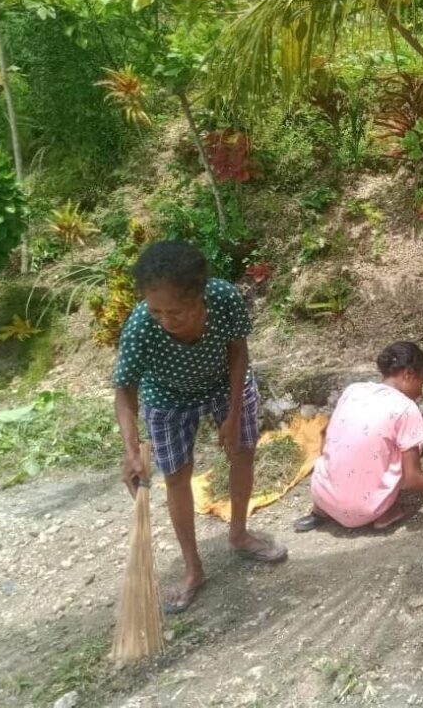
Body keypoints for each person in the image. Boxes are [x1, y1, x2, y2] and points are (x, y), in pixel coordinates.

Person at [113, 241, 287, 615]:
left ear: (199, 296)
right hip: (167, 397)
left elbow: (238, 351)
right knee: (176, 476)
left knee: (242, 452)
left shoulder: (224, 298)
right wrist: (131, 451)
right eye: (156, 310)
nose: (165, 319)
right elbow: (124, 390)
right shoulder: (141, 327)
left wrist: (234, 414)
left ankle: (239, 535)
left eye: (175, 311)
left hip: (225, 383)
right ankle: (193, 569)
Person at [293, 342, 423, 532]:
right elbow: (413, 480)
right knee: (398, 458)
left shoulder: (354, 390)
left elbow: (328, 437)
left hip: (322, 497)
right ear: (408, 374)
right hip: (362, 512)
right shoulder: (406, 408)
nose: (421, 391)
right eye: (422, 382)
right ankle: (384, 514)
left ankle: (321, 512)